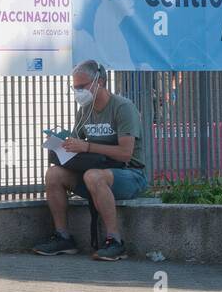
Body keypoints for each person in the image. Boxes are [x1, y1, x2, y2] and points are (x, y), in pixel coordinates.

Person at [33, 60, 147, 261]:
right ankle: (63, 237)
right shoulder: (85, 111)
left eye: (82, 86)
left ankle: (115, 241)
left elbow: (126, 153)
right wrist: (61, 143)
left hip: (129, 174)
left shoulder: (123, 108)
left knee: (93, 176)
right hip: (94, 174)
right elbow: (79, 143)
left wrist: (87, 146)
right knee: (54, 174)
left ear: (100, 82)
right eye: (74, 87)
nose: (78, 92)